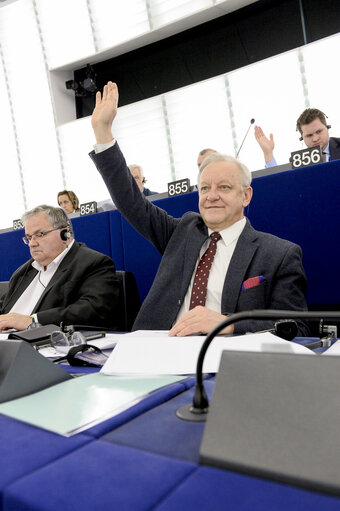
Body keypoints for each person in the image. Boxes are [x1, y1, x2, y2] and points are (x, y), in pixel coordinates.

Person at [89, 81, 309, 337]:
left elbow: (298, 328)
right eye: (204, 189)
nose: (211, 196)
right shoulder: (182, 232)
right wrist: (103, 132)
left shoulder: (278, 254)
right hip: (156, 350)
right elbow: (131, 201)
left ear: (245, 195)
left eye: (224, 187)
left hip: (222, 359)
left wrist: (229, 323)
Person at [0, 205, 120, 331]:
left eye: (40, 234)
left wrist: (33, 321)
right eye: (29, 237)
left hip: (47, 342)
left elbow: (95, 309)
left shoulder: (93, 263)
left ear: (65, 234)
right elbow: (4, 307)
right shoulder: (23, 272)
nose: (32, 243)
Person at [255, 108, 340, 168]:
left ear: (327, 127)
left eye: (319, 132)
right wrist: (268, 154)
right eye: (309, 135)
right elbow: (283, 184)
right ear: (302, 137)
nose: (315, 139)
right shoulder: (299, 160)